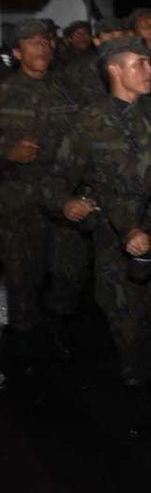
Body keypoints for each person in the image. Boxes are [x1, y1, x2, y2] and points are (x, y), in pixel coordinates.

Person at [45, 37, 151, 429]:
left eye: (149, 64)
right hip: (114, 240)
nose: (149, 71)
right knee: (128, 322)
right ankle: (142, 401)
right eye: (140, 64)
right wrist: (66, 203)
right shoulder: (91, 121)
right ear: (114, 69)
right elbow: (57, 179)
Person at [0, 19, 77, 375]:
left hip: (60, 197)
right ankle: (24, 350)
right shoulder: (4, 92)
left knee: (65, 272)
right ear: (17, 52)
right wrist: (6, 152)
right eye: (32, 43)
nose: (42, 48)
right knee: (21, 277)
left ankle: (59, 341)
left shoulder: (65, 91)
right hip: (17, 201)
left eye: (45, 41)